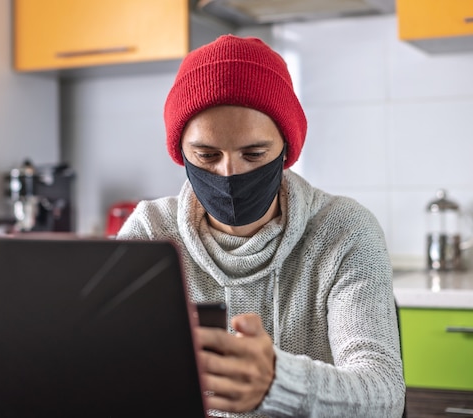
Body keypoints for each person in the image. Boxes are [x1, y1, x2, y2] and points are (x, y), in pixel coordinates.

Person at [117, 34, 405, 417]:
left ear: (286, 149)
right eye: (206, 155)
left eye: (254, 154)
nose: (229, 173)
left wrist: (278, 382)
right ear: (180, 151)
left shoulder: (345, 232)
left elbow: (383, 393)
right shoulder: (150, 234)